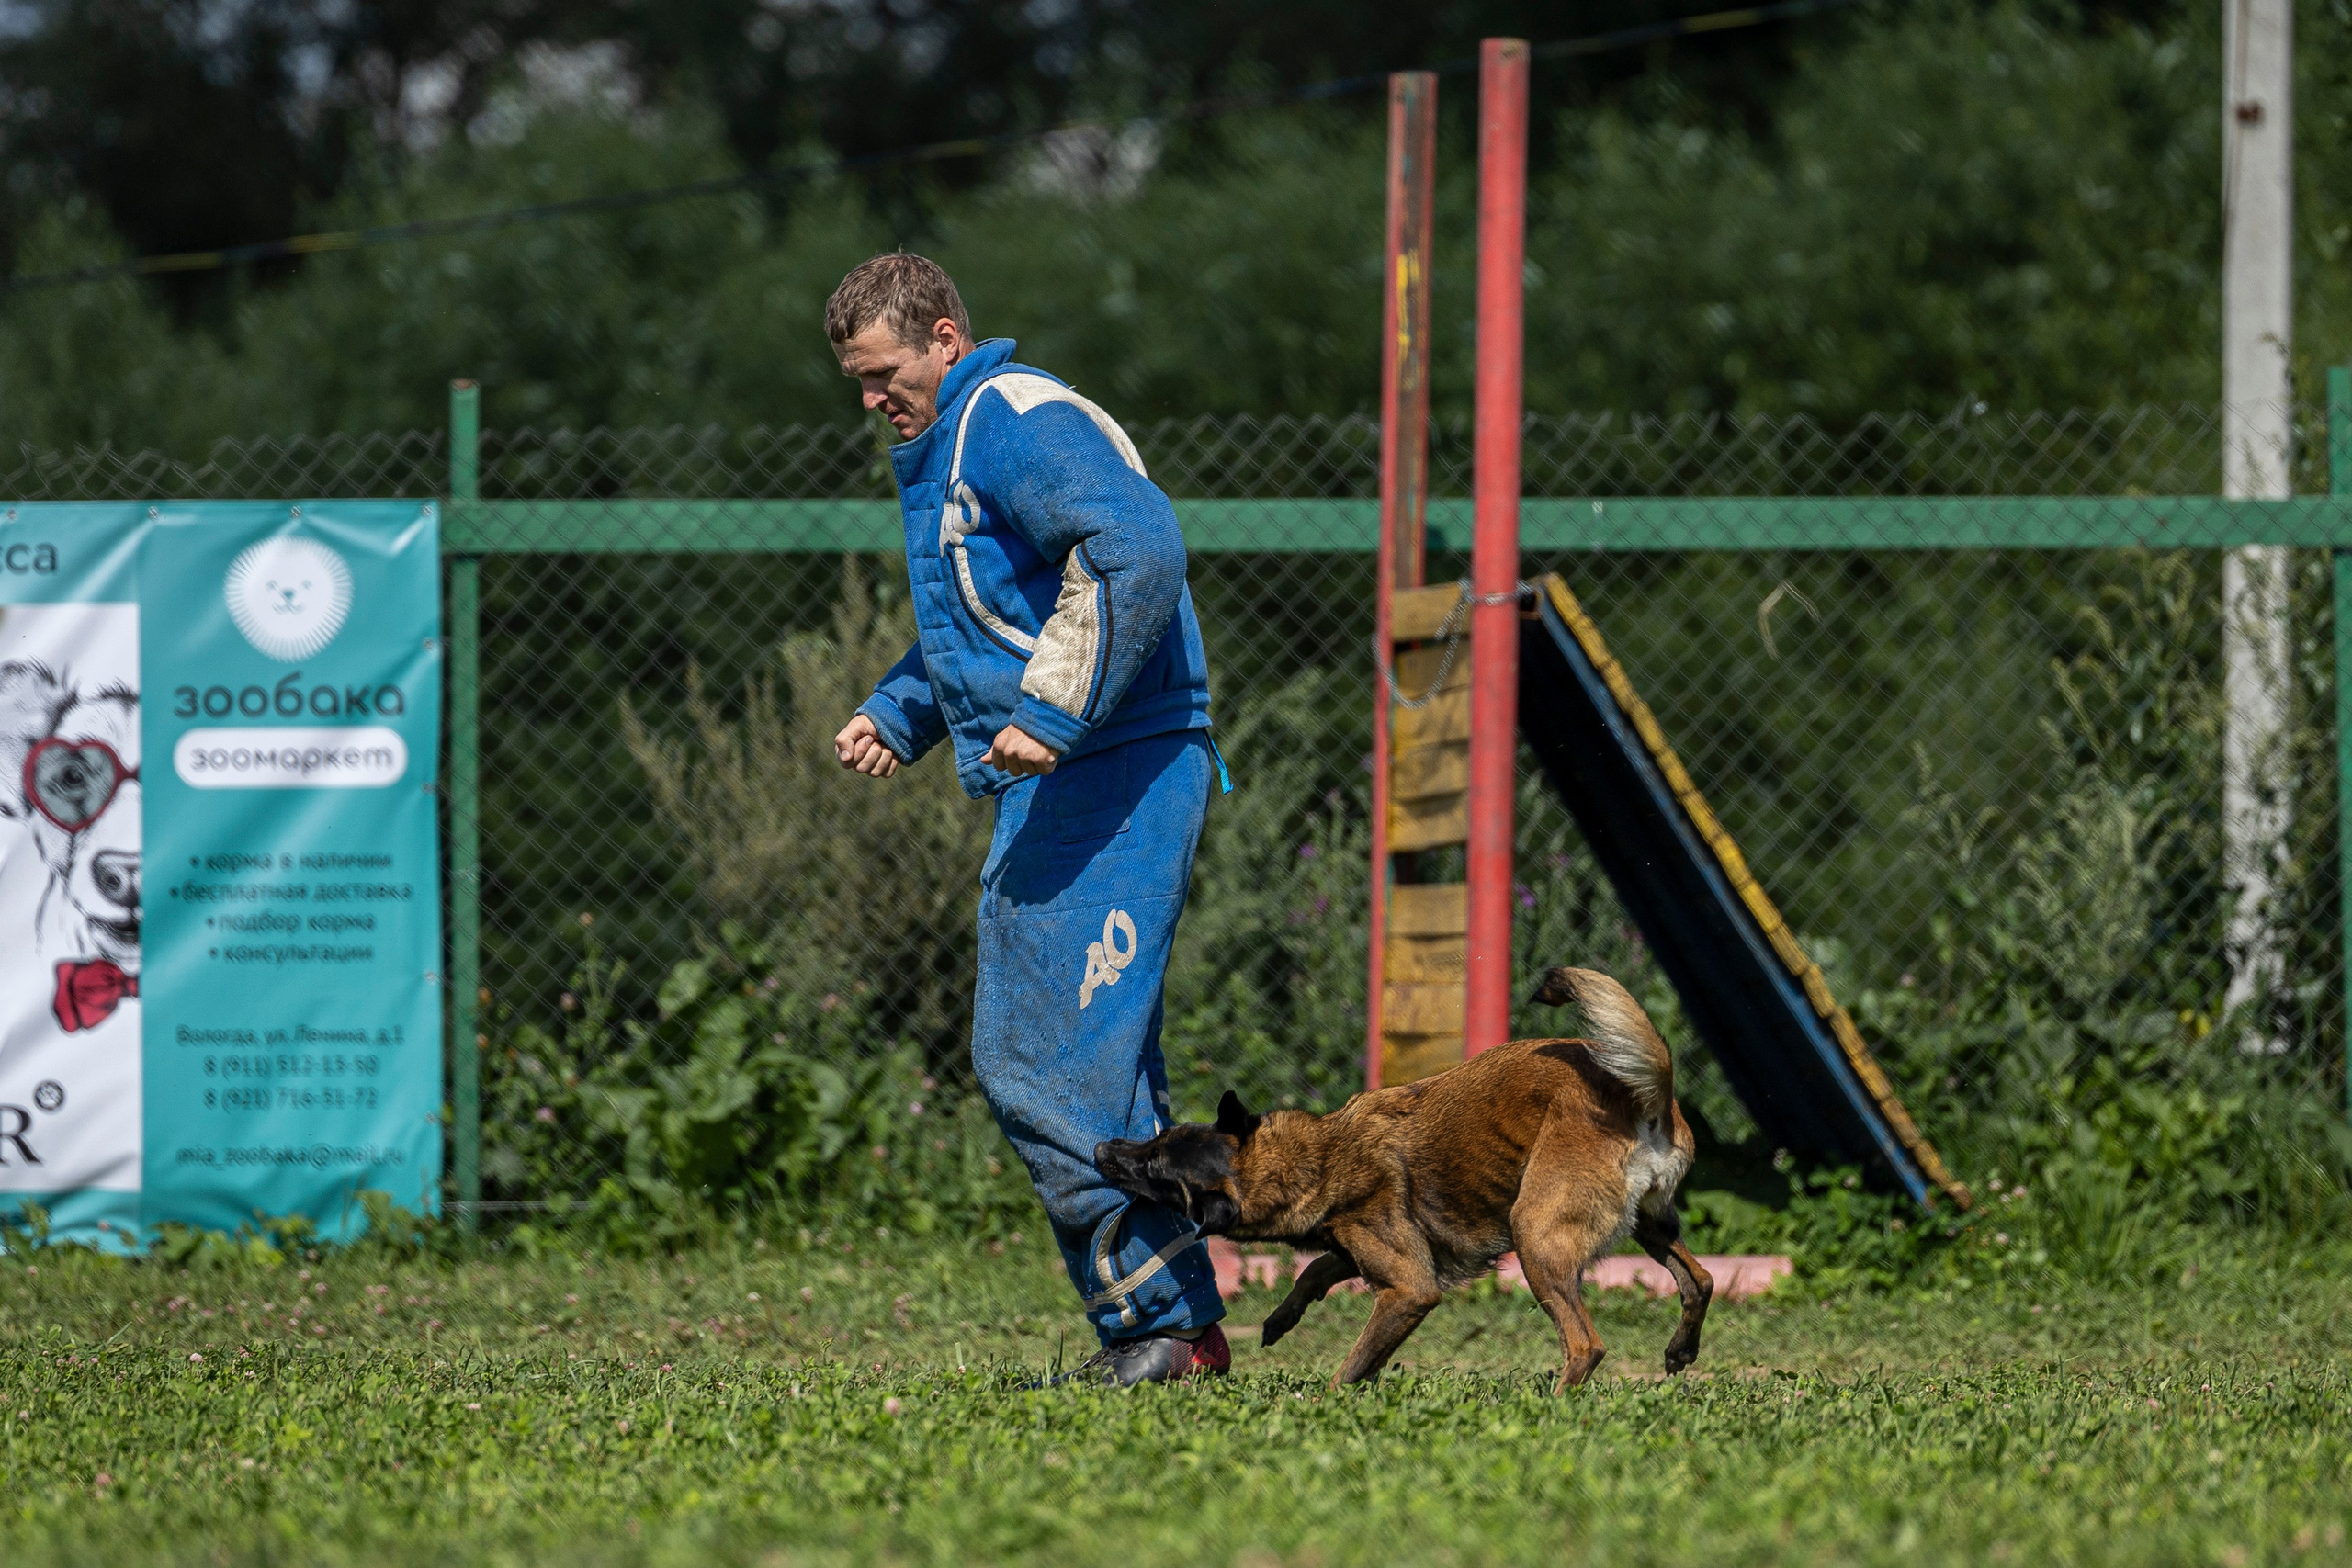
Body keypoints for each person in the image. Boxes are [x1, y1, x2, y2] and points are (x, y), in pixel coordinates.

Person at [826, 253, 1230, 1386]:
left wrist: (1056, 712)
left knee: (1044, 1059)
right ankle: (1174, 1331)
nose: (872, 399)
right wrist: (900, 711)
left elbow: (1136, 548)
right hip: (1074, 768)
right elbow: (990, 617)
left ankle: (1158, 1327)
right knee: (1091, 1063)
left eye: (885, 373)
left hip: (1115, 765)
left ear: (945, 338)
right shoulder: (961, 439)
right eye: (858, 382)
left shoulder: (1009, 417)